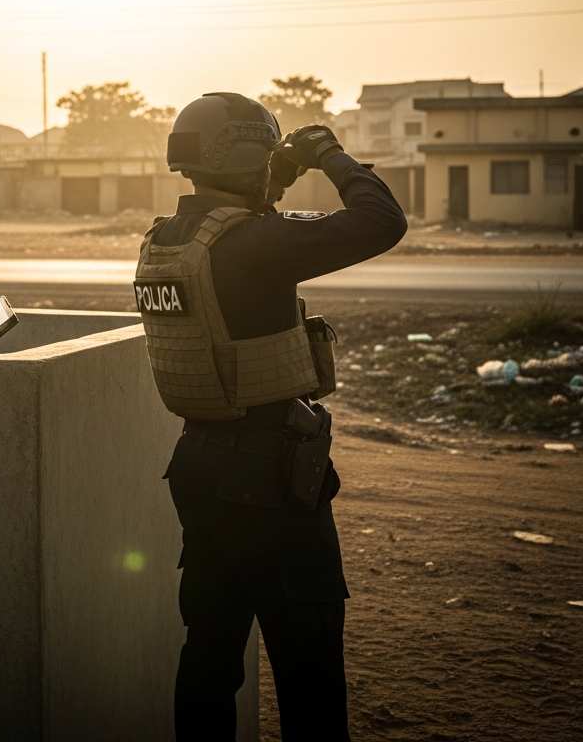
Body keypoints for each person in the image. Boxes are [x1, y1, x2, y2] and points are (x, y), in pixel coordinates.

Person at [134, 92, 407, 742]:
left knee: (209, 657)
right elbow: (381, 221)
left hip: (198, 467)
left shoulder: (163, 243)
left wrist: (272, 177)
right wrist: (329, 155)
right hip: (274, 477)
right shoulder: (258, 247)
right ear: (251, 156)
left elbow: (245, 225)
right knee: (308, 667)